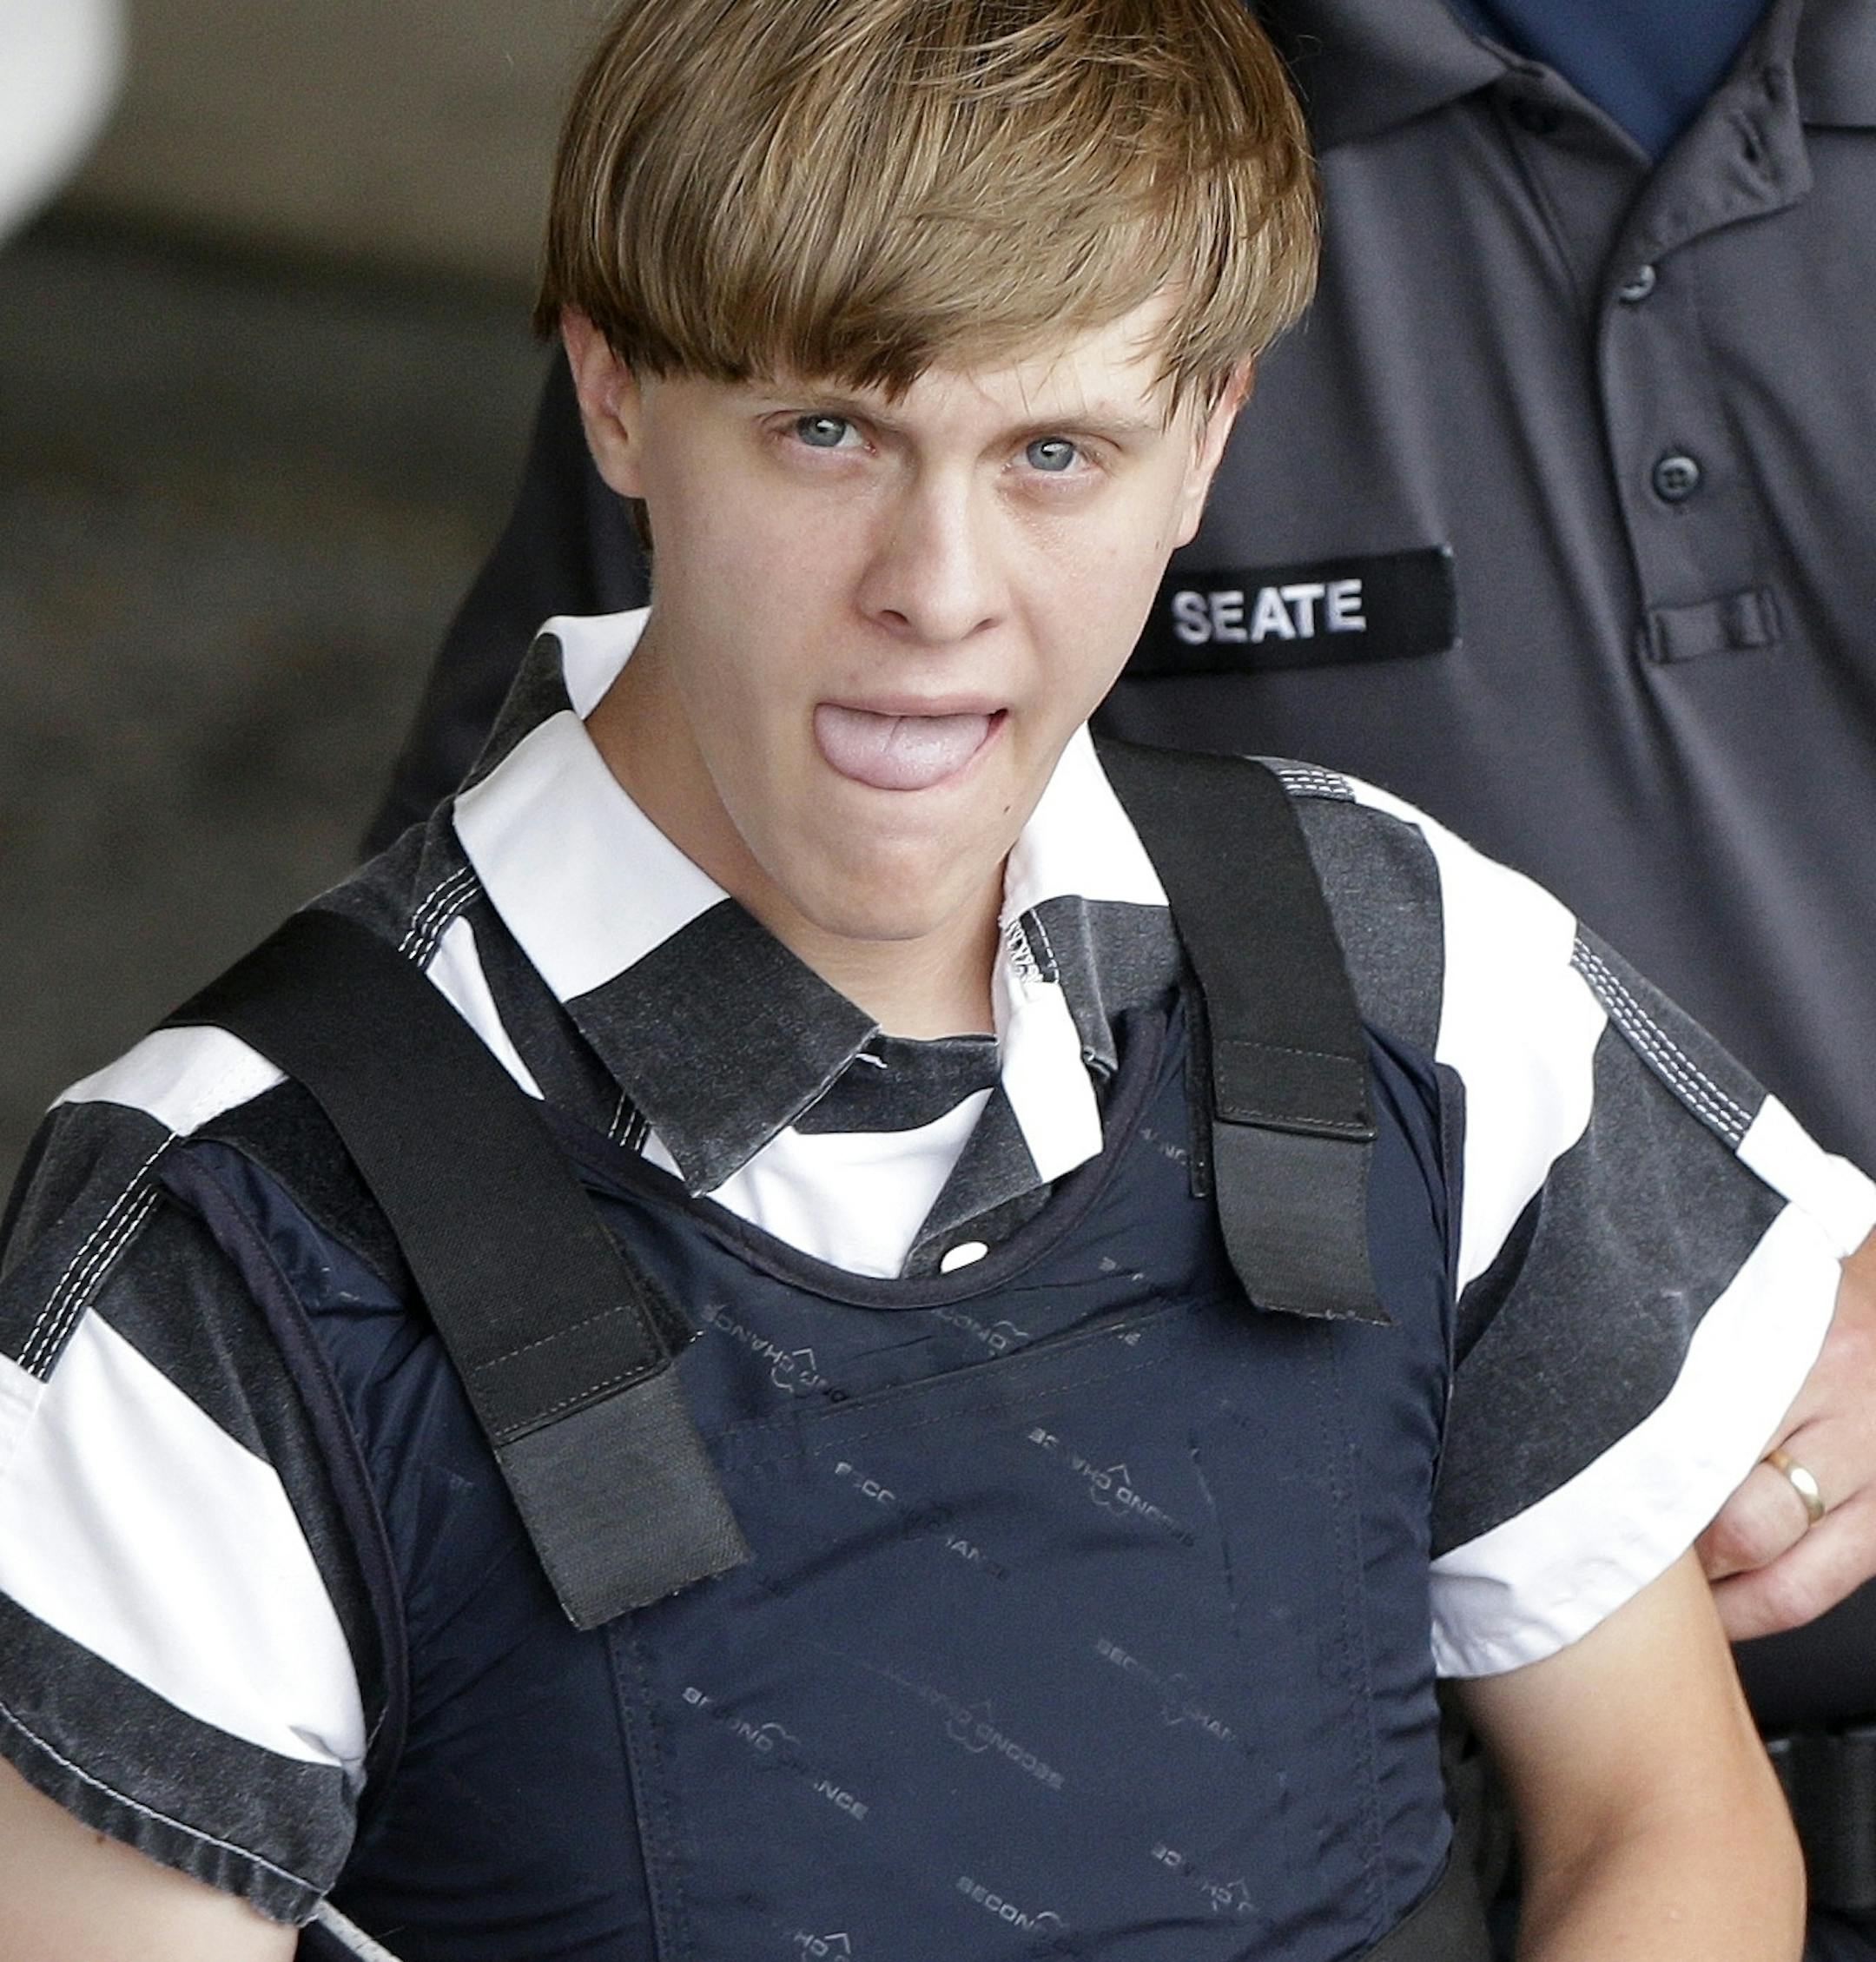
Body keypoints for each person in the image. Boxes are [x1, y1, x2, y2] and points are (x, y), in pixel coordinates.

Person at [0, 0, 1866, 1955]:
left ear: (1210, 439)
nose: (938, 585)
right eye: (831, 429)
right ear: (615, 391)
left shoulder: (1410, 965)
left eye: (1055, 450)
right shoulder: (206, 1254)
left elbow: (1674, 1831)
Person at [365, 0, 1876, 1685]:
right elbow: (478, 1023)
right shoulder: (954, 91)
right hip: (1297, 1770)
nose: (932, 580)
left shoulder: (1431, 924)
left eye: (1052, 454)